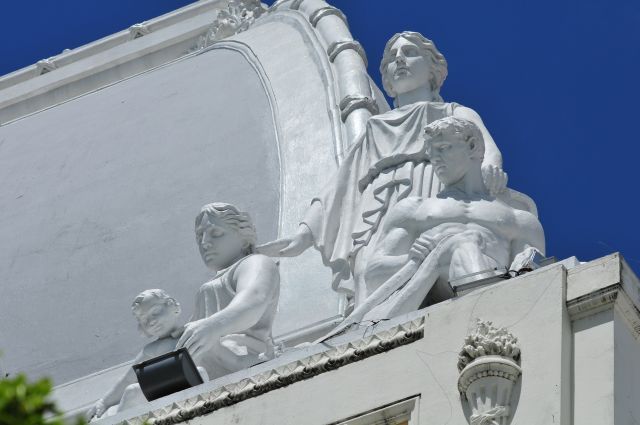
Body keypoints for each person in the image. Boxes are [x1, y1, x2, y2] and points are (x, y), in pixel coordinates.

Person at [259, 32, 508, 308]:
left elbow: (486, 147)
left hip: (433, 188)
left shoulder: (451, 113)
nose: (399, 59)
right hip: (375, 210)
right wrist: (304, 234)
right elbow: (339, 186)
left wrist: (491, 168)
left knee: (436, 262)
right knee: (371, 274)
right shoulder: (374, 128)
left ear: (433, 69)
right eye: (391, 57)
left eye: (410, 52)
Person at [326, 117, 544, 334]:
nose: (435, 159)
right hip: (428, 291)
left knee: (462, 244)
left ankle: (488, 321)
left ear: (472, 146)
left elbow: (530, 278)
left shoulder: (519, 219)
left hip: (494, 286)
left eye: (443, 148)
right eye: (431, 153)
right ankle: (490, 325)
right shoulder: (414, 209)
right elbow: (374, 274)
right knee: (461, 243)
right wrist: (413, 258)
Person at [175, 202, 280, 380]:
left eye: (216, 233)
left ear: (243, 238)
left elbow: (253, 302)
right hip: (207, 364)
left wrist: (211, 327)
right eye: (200, 236)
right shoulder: (210, 286)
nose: (204, 243)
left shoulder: (256, 263)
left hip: (243, 357)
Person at [87, 289, 198, 420]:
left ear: (172, 305)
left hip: (195, 387)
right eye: (144, 320)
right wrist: (104, 402)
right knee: (131, 392)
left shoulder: (195, 330)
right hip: (167, 396)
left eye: (155, 312)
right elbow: (128, 380)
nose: (151, 321)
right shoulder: (151, 350)